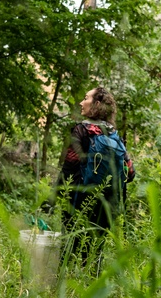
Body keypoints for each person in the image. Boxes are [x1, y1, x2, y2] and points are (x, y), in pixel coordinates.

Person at [57, 86, 135, 262]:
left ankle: (64, 287)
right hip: (107, 204)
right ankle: (93, 287)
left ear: (96, 104)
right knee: (94, 254)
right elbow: (130, 173)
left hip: (80, 199)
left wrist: (56, 196)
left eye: (86, 98)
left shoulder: (81, 130)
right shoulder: (113, 134)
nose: (81, 102)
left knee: (69, 249)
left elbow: (69, 166)